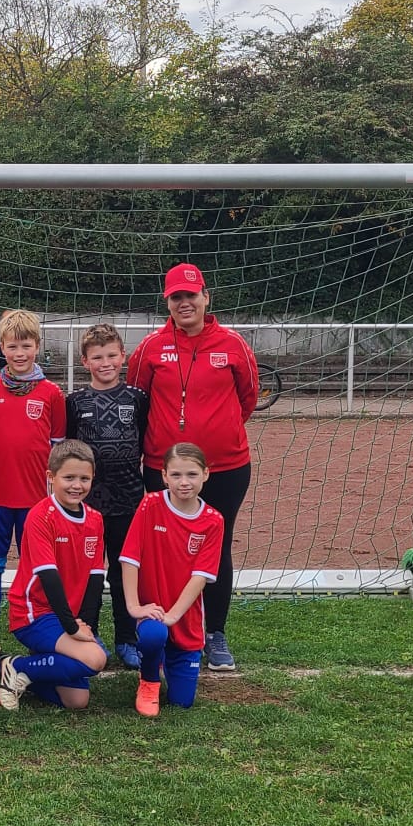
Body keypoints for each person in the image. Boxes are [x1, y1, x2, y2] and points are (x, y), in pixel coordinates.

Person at [126, 262, 258, 671]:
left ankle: (214, 632)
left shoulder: (233, 344)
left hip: (226, 468)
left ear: (206, 298)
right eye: (176, 297)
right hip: (161, 467)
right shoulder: (151, 347)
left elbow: (248, 398)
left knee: (216, 546)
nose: (185, 303)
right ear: (167, 302)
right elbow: (137, 400)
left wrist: (218, 432)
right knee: (160, 548)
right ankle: (160, 626)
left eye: (191, 295)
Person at [0, 440, 107, 711]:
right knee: (95, 659)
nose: (77, 485)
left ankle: (5, 664)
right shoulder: (41, 516)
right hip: (34, 614)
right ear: (51, 477)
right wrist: (73, 628)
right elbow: (48, 578)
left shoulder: (95, 519)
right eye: (69, 478)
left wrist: (86, 624)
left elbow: (95, 577)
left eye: (84, 479)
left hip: (67, 616)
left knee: (76, 701)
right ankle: (17, 667)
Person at [0, 309, 66, 659]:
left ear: (37, 347)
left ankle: (40, 632)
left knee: (37, 568)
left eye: (26, 346)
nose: (19, 353)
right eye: (12, 346)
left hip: (35, 501)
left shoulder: (51, 393)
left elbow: (58, 446)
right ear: (2, 348)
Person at [65, 323, 148, 670]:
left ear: (122, 356)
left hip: (129, 500)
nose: (105, 363)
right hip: (88, 505)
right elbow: (69, 449)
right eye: (97, 357)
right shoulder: (75, 402)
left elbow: (146, 440)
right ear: (85, 361)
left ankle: (127, 638)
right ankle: (89, 632)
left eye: (111, 355)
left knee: (125, 571)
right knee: (89, 572)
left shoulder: (137, 398)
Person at [121, 442, 223, 716]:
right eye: (176, 475)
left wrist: (174, 615)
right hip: (151, 612)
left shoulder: (213, 520)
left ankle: (166, 658)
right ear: (164, 476)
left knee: (182, 702)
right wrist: (134, 607)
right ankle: (149, 680)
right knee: (154, 634)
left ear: (205, 474)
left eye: (192, 474)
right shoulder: (151, 504)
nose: (184, 482)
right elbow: (130, 558)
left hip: (184, 619)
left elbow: (200, 576)